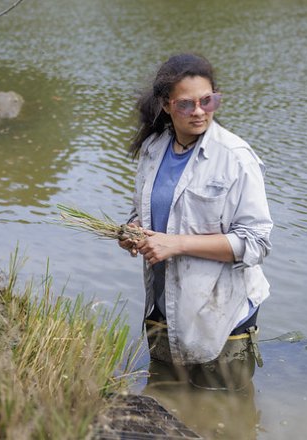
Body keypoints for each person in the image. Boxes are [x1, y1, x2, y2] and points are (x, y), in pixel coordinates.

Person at [118, 53, 273, 390]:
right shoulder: (153, 149)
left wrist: (175, 244)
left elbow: (256, 243)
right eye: (187, 104)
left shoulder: (236, 158)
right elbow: (143, 213)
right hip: (163, 305)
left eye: (207, 100)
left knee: (225, 411)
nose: (200, 111)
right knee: (165, 394)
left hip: (222, 314)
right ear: (166, 105)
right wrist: (130, 232)